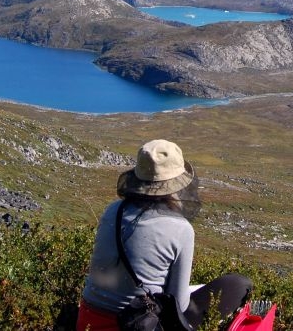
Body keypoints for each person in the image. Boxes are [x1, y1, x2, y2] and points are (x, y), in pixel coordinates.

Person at [77, 139, 252, 330]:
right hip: (138, 324)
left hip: (87, 320)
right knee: (238, 284)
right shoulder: (180, 229)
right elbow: (180, 304)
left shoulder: (113, 210)